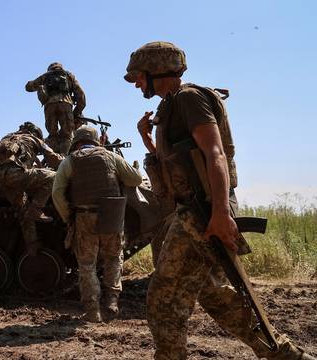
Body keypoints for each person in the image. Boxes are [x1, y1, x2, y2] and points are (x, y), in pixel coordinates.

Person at [126, 41, 314, 360]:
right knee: (219, 299)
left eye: (140, 77)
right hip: (197, 209)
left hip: (203, 211)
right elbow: (182, 165)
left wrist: (220, 213)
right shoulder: (171, 107)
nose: (138, 84)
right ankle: (283, 353)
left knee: (164, 302)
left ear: (156, 71)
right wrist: (148, 139)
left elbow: (215, 153)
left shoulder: (189, 99)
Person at [52, 127, 142, 322]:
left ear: (76, 141)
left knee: (86, 265)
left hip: (84, 216)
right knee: (113, 258)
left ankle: (92, 310)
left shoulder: (70, 161)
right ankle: (111, 301)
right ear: (97, 141)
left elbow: (57, 193)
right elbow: (135, 179)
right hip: (112, 215)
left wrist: (69, 216)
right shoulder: (110, 156)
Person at [0, 122, 63, 255]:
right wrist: (68, 161)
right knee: (54, 177)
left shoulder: (6, 138)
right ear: (35, 133)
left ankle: (32, 246)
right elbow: (53, 159)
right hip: (16, 174)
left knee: (23, 210)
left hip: (0, 178)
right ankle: (36, 209)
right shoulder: (33, 138)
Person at [25, 62, 86, 154]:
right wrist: (76, 112)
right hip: (66, 105)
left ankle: (53, 160)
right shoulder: (69, 76)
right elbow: (81, 96)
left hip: (50, 106)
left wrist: (32, 84)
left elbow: (28, 88)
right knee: (67, 135)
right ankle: (65, 158)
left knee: (52, 135)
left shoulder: (45, 76)